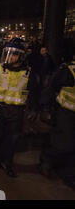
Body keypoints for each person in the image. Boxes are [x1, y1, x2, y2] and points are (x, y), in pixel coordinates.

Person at [0, 38, 39, 178]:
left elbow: (35, 92)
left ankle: (6, 162)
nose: (10, 57)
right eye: (8, 53)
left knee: (11, 139)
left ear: (21, 57)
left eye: (14, 54)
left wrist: (35, 109)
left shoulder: (29, 74)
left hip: (16, 111)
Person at [38, 41, 74, 189]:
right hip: (66, 113)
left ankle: (70, 175)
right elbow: (51, 87)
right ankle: (46, 161)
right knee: (62, 143)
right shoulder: (68, 70)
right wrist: (44, 107)